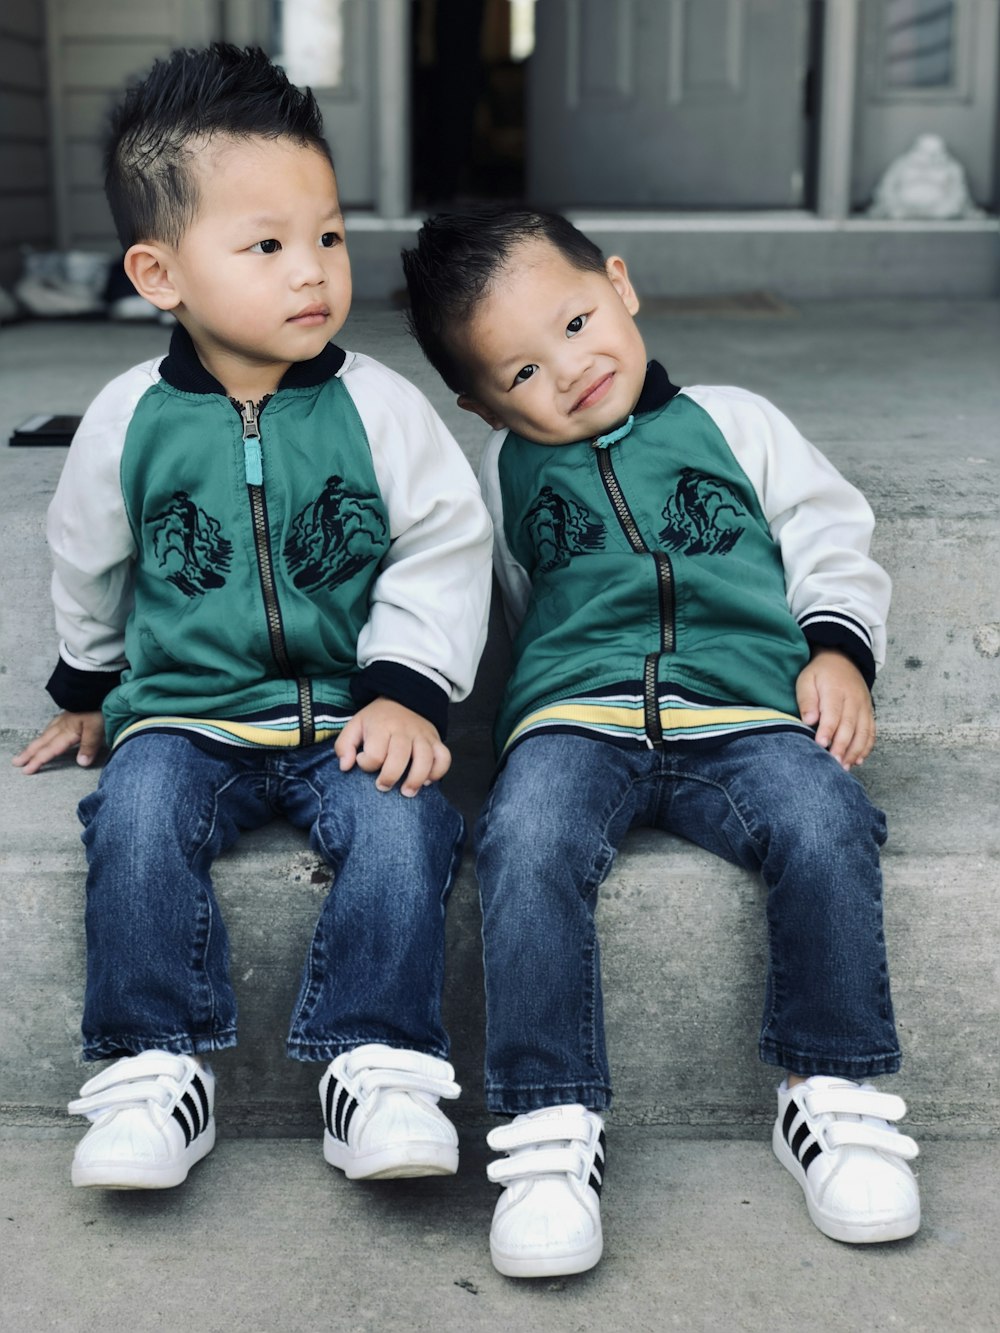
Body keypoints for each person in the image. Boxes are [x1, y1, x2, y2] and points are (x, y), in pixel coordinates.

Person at [402, 208, 919, 1278]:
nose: (572, 370)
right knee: (526, 836)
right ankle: (546, 1130)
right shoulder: (497, 479)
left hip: (745, 709)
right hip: (575, 718)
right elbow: (476, 607)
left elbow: (830, 533)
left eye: (579, 321)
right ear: (478, 400)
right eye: (522, 371)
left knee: (825, 818)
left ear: (622, 286)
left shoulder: (738, 422)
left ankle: (830, 1093)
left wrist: (836, 653)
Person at [13, 45, 492, 1192]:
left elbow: (443, 544)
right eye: (266, 245)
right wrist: (88, 688)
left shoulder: (378, 406)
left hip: (349, 711)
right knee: (133, 818)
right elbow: (88, 559)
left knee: (403, 824)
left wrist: (407, 688)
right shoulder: (128, 421)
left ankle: (376, 1059)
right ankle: (150, 1068)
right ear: (160, 272)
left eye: (326, 235)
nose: (311, 272)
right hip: (187, 710)